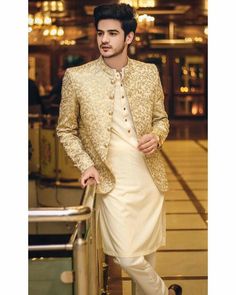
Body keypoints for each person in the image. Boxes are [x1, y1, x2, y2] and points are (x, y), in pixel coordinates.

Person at [57, 3, 182, 295]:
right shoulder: (77, 77)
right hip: (110, 181)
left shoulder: (148, 72)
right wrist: (85, 163)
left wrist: (158, 136)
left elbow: (161, 119)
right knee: (127, 256)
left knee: (146, 254)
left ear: (129, 37)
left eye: (113, 33)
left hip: (148, 179)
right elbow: (66, 129)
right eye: (100, 33)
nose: (104, 39)